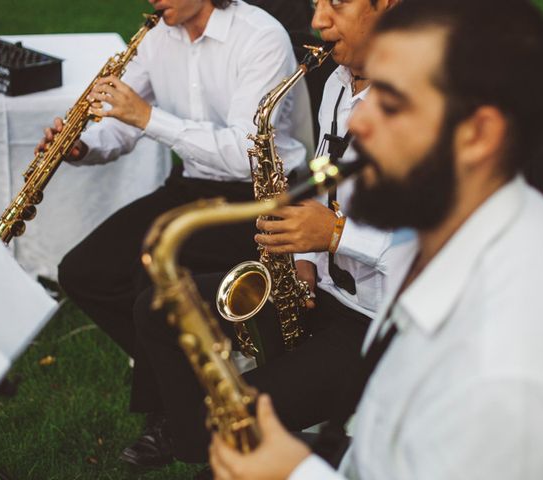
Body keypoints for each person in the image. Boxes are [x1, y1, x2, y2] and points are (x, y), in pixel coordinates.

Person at [208, 0, 543, 479]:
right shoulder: (442, 238)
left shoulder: (503, 373)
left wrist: (295, 473)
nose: (357, 124)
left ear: (479, 134)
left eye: (391, 102)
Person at [129, 0, 407, 470]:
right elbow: (329, 184)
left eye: (335, 5)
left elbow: (442, 253)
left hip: (380, 326)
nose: (317, 20)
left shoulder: (429, 106)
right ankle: (203, 452)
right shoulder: (339, 83)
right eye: (317, 3)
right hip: (326, 291)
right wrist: (306, 259)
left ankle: (221, 449)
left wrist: (337, 236)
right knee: (155, 309)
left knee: (238, 413)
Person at [36, 0, 307, 462]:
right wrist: (85, 144)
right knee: (82, 272)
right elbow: (121, 128)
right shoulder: (158, 35)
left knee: (151, 284)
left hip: (264, 196)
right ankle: (188, 378)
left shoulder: (260, 36)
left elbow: (247, 151)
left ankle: (170, 419)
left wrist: (147, 117)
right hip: (192, 185)